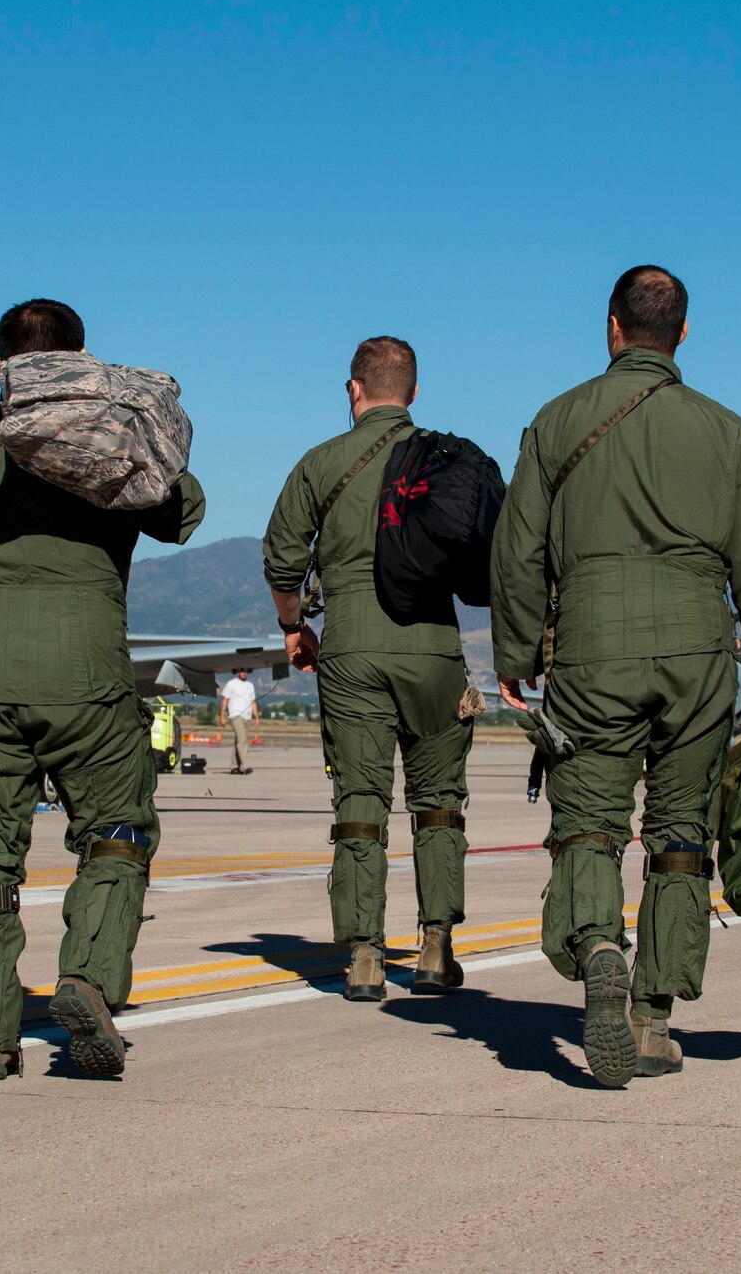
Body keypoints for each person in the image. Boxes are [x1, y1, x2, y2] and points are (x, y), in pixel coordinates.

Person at [490, 266, 741, 1086]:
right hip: (701, 651)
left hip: (593, 645)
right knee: (678, 836)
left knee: (589, 821)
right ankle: (654, 1021)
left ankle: (598, 945)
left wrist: (515, 656)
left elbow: (517, 552)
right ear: (685, 334)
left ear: (612, 328)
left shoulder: (556, 422)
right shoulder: (728, 432)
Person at [0, 298, 205, 1082]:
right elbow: (184, 512)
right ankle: (87, 977)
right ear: (80, 362)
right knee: (116, 834)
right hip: (88, 671)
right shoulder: (109, 445)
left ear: (1, 366)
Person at [263, 335, 476, 1002]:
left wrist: (296, 627)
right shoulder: (446, 460)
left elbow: (281, 559)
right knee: (438, 803)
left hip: (352, 645)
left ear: (354, 390)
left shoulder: (321, 462)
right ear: (413, 393)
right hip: (435, 646)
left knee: (360, 803)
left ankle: (363, 955)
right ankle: (437, 948)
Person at [220, 668, 259, 773]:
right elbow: (225, 700)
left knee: (240, 741)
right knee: (242, 740)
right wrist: (222, 716)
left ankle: (234, 767)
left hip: (247, 716)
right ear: (238, 671)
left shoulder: (250, 686)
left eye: (246, 671)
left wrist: (256, 717)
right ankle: (245, 766)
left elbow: (253, 702)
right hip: (235, 715)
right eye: (242, 670)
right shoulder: (231, 684)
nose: (244, 673)